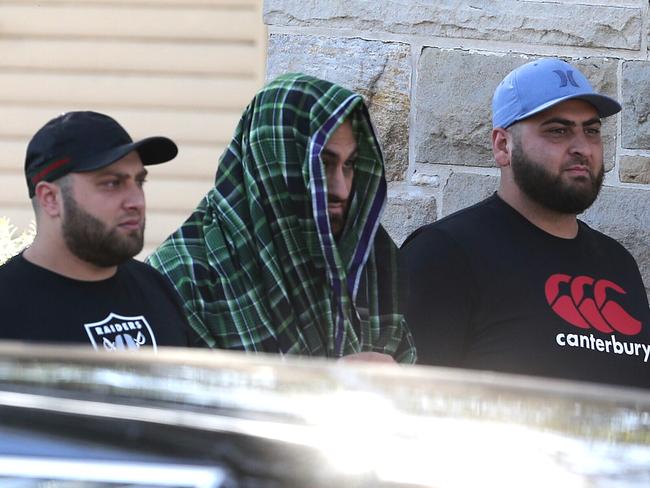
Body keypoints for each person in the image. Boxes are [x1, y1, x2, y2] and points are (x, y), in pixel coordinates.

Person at [400, 58, 650, 388]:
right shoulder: (443, 254)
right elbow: (403, 412)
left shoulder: (618, 263)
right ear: (503, 146)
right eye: (558, 131)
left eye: (591, 130)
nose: (582, 148)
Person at [147, 73, 416, 363]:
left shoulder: (366, 261)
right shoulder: (185, 275)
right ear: (273, 162)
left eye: (349, 165)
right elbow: (173, 401)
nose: (342, 189)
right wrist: (326, 387)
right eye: (323, 164)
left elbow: (408, 370)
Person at [0, 111, 193, 351]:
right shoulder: (7, 307)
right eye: (112, 183)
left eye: (139, 182)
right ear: (50, 198)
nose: (136, 201)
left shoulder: (156, 288)